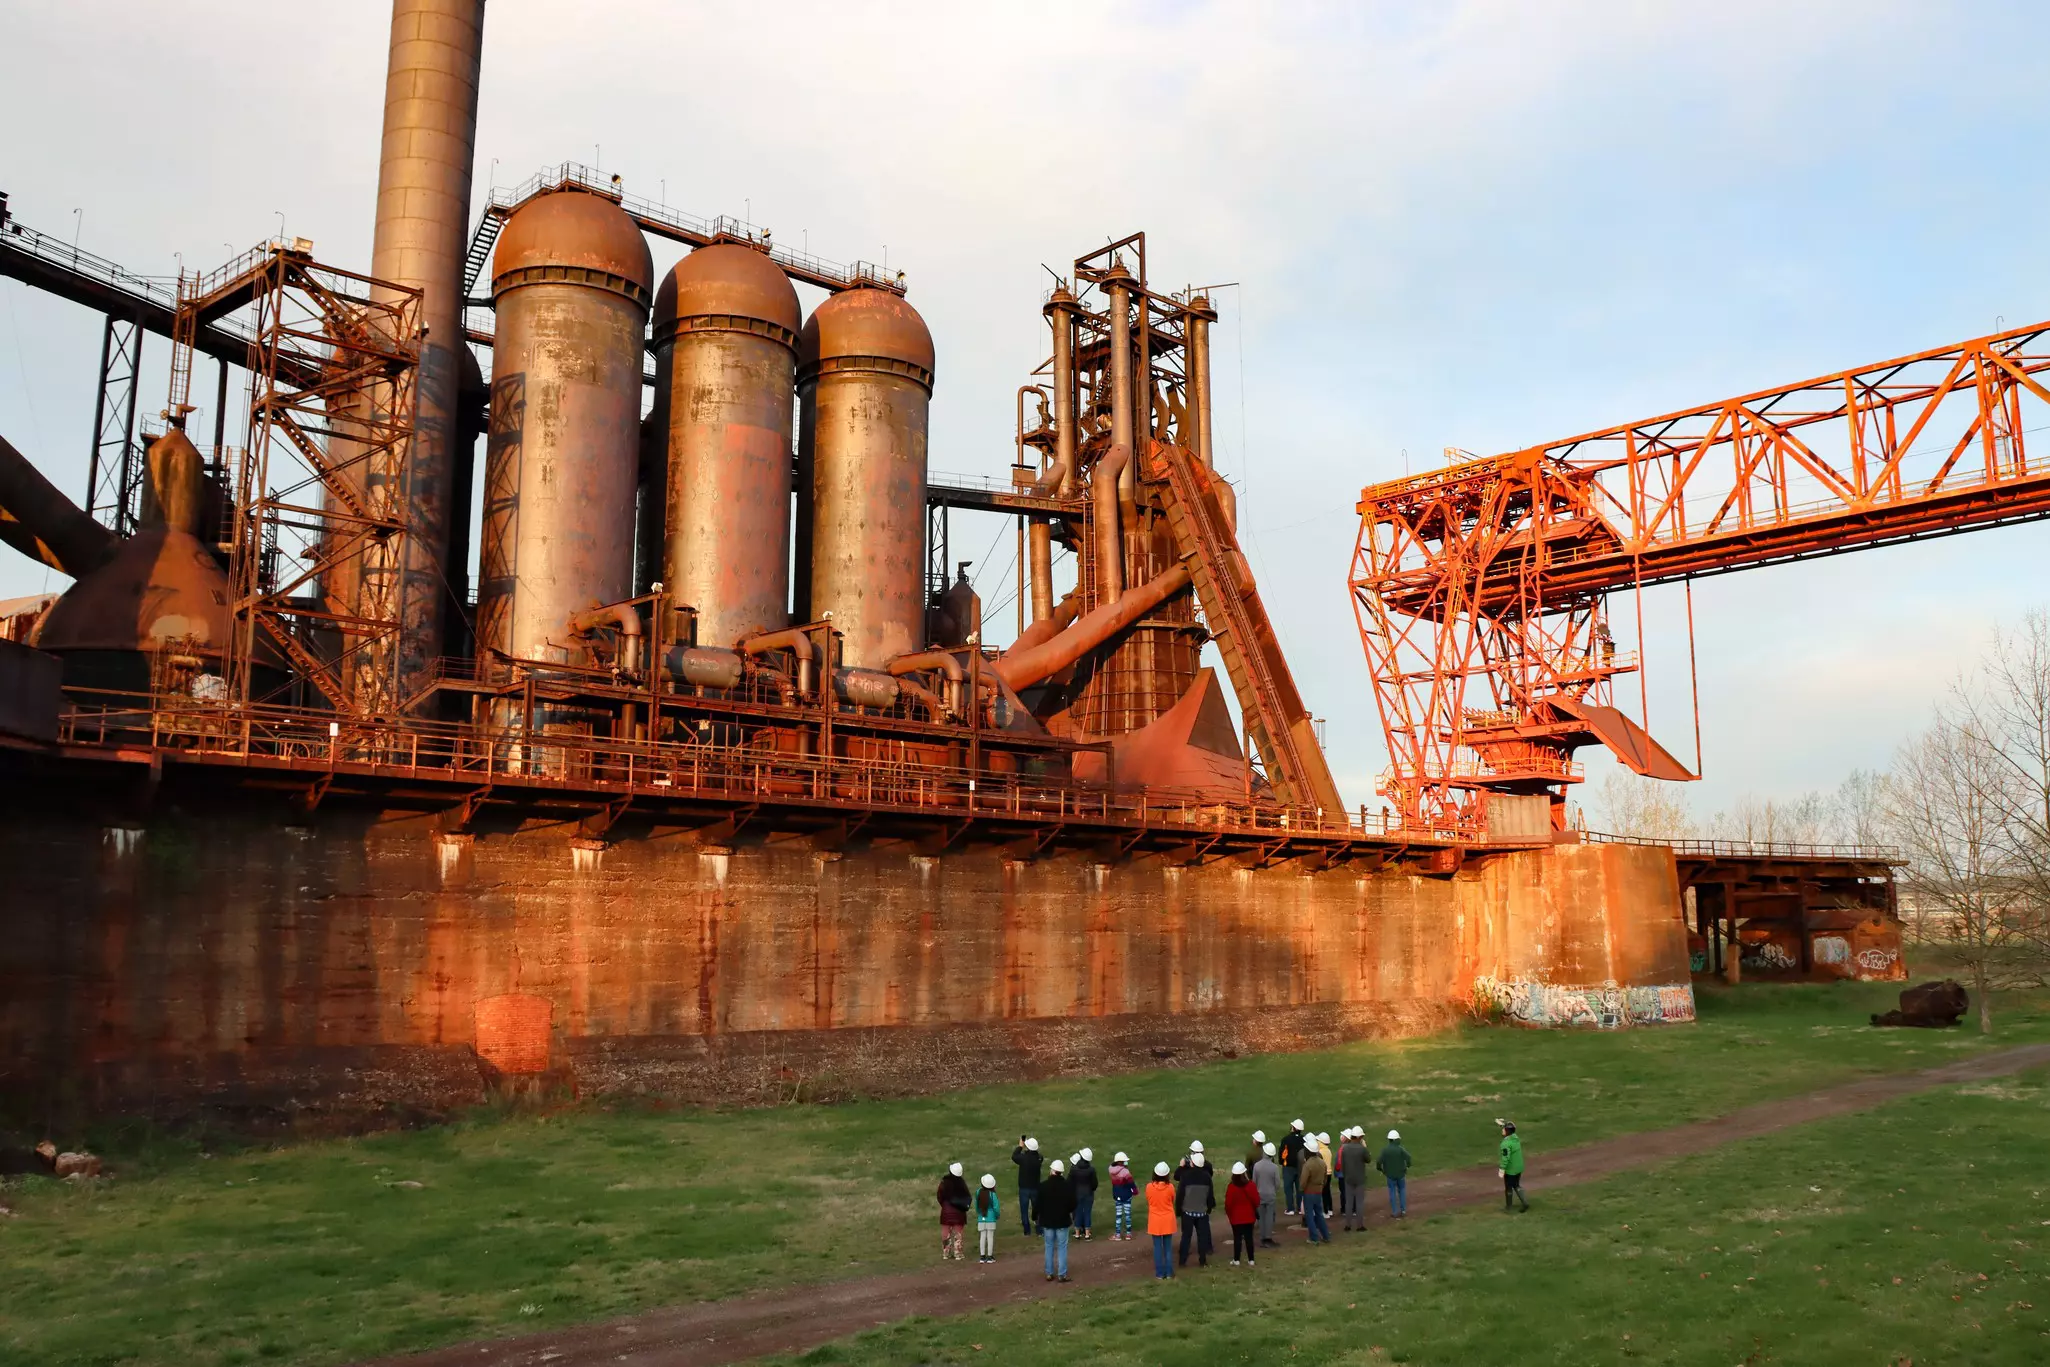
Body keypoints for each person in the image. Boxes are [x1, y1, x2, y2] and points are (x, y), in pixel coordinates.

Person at [1175, 1140, 1216, 1268]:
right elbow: (1210, 1195)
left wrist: (1178, 1210)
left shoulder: (1186, 1175)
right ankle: (1203, 1261)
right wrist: (1208, 1208)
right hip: (1202, 1211)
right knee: (1202, 1237)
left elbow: (1180, 1194)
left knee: (1186, 1236)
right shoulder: (1207, 1177)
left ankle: (1182, 1261)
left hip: (1187, 1211)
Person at [1038, 1156, 1076, 1281]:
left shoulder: (1043, 1186)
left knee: (1049, 1246)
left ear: (1052, 1171)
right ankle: (1062, 1274)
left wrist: (1037, 1216)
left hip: (1047, 1221)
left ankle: (1049, 1272)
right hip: (1062, 1221)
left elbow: (1038, 1204)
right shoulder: (1067, 1186)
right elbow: (1073, 1204)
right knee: (1062, 1247)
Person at [1145, 1160, 1178, 1279]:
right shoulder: (1170, 1187)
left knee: (1157, 1248)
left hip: (1155, 1221)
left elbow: (1148, 1199)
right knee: (1168, 1248)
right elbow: (1172, 1200)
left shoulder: (1149, 1187)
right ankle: (1169, 1272)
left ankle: (1159, 1273)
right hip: (1168, 1220)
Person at [1224, 1160, 1260, 1265]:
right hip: (1249, 1217)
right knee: (1249, 1238)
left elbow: (1228, 1204)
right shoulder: (1251, 1185)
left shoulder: (1231, 1187)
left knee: (1237, 1238)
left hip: (1236, 1218)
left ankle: (1236, 1259)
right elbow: (1256, 1201)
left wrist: (1229, 1214)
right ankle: (1251, 1259)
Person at [1299, 1134, 1331, 1243]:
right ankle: (1326, 1236)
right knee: (1319, 1214)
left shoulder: (1307, 1165)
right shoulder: (1322, 1163)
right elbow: (1325, 1178)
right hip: (1318, 1191)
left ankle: (1314, 1238)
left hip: (1309, 1192)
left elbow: (1303, 1181)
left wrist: (1301, 1189)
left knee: (1309, 1216)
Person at [937, 1161, 972, 1260]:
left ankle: (946, 1253)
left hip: (946, 1212)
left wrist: (944, 1205)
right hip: (959, 1212)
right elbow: (967, 1197)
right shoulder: (962, 1184)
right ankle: (958, 1253)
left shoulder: (944, 1182)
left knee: (945, 1233)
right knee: (958, 1234)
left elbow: (939, 1196)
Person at [1252, 1140, 1282, 1247]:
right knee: (1269, 1216)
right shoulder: (1274, 1167)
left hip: (1259, 1194)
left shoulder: (1257, 1166)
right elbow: (1277, 1183)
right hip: (1270, 1195)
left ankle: (1262, 1238)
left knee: (1261, 1217)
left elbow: (1254, 1182)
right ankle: (1268, 1238)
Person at [1011, 1136, 1042, 1235]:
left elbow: (1014, 1156)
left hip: (1024, 1188)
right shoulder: (1039, 1158)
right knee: (1036, 1209)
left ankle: (1027, 1230)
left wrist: (1020, 1146)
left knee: (1024, 1210)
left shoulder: (1023, 1158)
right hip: (1035, 1188)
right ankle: (1038, 1228)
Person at [1377, 1129, 1411, 1219]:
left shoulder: (1385, 1150)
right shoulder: (1400, 1149)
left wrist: (1381, 1170)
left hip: (1390, 1175)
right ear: (1396, 1139)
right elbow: (1408, 1157)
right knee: (1402, 1191)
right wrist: (1407, 1166)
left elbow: (1378, 1162)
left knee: (1392, 1192)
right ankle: (1403, 1210)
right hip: (1401, 1174)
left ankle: (1395, 1212)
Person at [1340, 1128, 1370, 1231]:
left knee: (1348, 1202)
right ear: (1359, 1137)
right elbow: (1368, 1159)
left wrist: (1345, 1176)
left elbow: (1343, 1164)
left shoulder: (1345, 1148)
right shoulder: (1362, 1149)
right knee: (1359, 1202)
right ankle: (1359, 1225)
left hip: (1348, 1178)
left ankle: (1348, 1225)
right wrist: (1365, 1147)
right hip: (1360, 1178)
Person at [1498, 1119, 1528, 1212]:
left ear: (1507, 1131)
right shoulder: (1515, 1138)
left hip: (1510, 1169)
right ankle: (1525, 1203)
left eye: (1504, 1129)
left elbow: (1505, 1158)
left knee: (1508, 1187)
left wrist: (1502, 1169)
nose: (1502, 1130)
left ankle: (1509, 1207)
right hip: (1518, 1167)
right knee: (1516, 1185)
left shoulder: (1506, 1144)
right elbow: (1511, 1128)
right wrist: (1503, 1124)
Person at [1279, 1119, 1307, 1214]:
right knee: (1300, 1188)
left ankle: (1290, 1208)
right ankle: (1300, 1208)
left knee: (1288, 1188)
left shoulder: (1286, 1139)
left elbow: (1282, 1154)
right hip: (1301, 1167)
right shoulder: (1304, 1140)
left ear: (1293, 1128)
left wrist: (1282, 1162)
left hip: (1288, 1167)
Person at [974, 1173, 1003, 1261]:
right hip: (991, 1218)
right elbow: (996, 1207)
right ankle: (990, 1256)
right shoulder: (992, 1195)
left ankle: (982, 1256)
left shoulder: (978, 1192)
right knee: (990, 1237)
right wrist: (997, 1215)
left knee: (982, 1236)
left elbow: (976, 1205)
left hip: (981, 1217)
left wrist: (979, 1213)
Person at [1072, 1148, 1099, 1240]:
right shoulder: (1091, 1170)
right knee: (1087, 1213)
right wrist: (1091, 1189)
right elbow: (1095, 1183)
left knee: (1078, 1212)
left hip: (1077, 1193)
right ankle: (1087, 1234)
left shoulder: (1074, 1169)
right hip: (1088, 1194)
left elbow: (1070, 1182)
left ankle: (1077, 1234)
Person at [1109, 1151, 1137, 1240]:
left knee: (1118, 1215)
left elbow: (1113, 1165)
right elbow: (1131, 1183)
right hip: (1127, 1195)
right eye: (1124, 1161)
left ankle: (1117, 1235)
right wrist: (1135, 1191)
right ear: (1121, 1162)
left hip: (1117, 1195)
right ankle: (1128, 1234)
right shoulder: (1125, 1171)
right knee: (1127, 1215)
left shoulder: (1110, 1169)